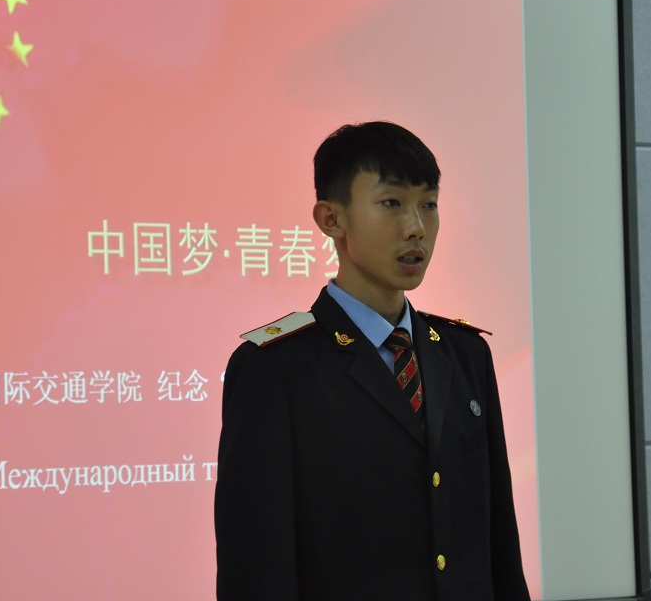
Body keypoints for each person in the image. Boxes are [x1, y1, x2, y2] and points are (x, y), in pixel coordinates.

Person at [215, 121, 530, 601]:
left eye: (429, 204)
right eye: (392, 203)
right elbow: (256, 567)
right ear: (331, 219)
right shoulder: (276, 368)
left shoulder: (465, 354)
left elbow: (499, 541)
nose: (416, 227)